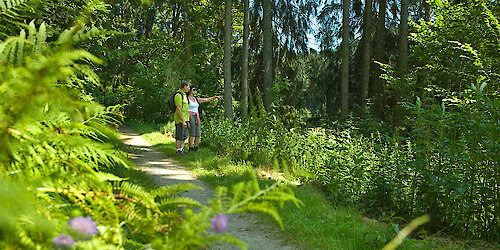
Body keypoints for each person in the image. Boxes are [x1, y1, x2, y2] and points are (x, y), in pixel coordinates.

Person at [186, 85, 222, 151]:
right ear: (190, 90)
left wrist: (214, 97)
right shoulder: (187, 99)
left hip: (197, 116)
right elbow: (184, 108)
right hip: (191, 116)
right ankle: (190, 148)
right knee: (192, 133)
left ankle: (196, 147)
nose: (195, 91)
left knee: (198, 133)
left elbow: (205, 100)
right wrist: (187, 115)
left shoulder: (196, 99)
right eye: (194, 89)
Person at [174, 80, 191, 156]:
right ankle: (178, 151)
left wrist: (187, 119)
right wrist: (183, 121)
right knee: (180, 136)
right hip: (180, 119)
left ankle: (182, 150)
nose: (189, 88)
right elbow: (179, 109)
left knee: (184, 136)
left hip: (185, 119)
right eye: (188, 87)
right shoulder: (178, 95)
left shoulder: (184, 95)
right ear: (185, 86)